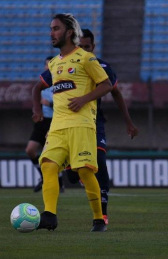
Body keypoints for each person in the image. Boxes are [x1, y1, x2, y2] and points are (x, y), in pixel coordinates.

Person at [32, 13, 112, 232]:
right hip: (57, 127)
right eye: (50, 28)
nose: (51, 33)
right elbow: (36, 87)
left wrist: (84, 99)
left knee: (85, 171)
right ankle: (49, 215)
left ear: (69, 32)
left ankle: (98, 219)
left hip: (82, 125)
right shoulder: (55, 63)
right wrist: (37, 109)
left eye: (56, 28)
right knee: (47, 164)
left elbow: (106, 85)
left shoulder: (86, 58)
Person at [66, 28, 139, 225]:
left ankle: (103, 215)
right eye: (79, 46)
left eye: (86, 47)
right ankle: (78, 174)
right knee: (71, 176)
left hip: (94, 121)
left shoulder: (102, 67)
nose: (83, 50)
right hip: (69, 123)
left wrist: (128, 121)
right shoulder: (66, 65)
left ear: (93, 47)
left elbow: (115, 93)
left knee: (100, 160)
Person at [25, 56, 63, 193]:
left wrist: (50, 103)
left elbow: (65, 102)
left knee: (52, 154)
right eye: (46, 65)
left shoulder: (60, 81)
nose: (48, 67)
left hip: (55, 121)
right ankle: (43, 177)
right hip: (42, 121)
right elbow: (36, 98)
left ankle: (58, 182)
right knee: (30, 150)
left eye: (50, 65)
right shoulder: (42, 83)